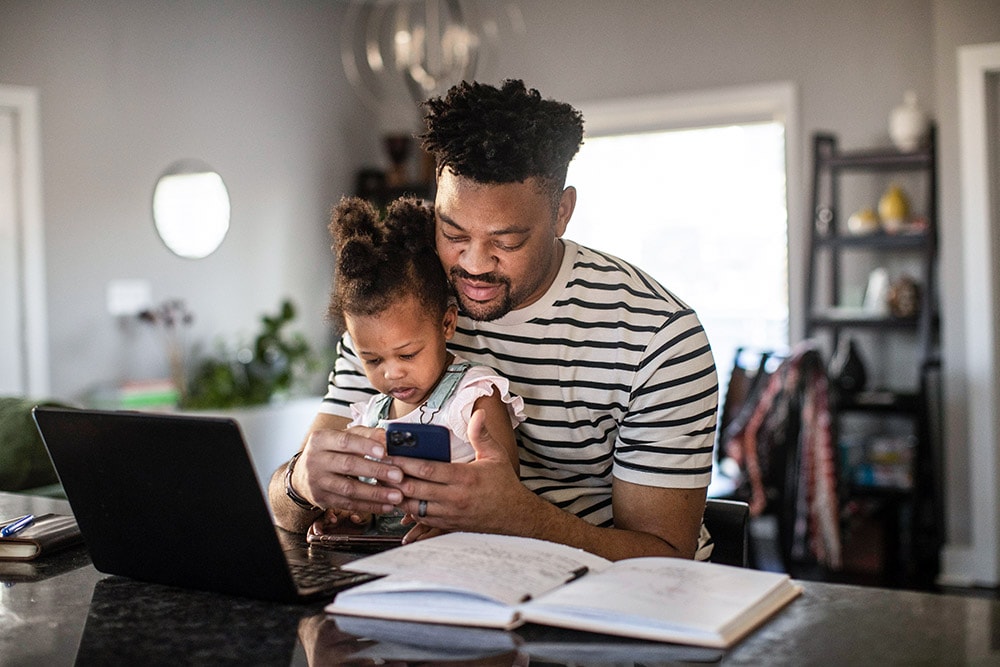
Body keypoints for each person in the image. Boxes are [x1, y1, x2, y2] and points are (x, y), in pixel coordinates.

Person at [269, 79, 719, 562]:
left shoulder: (657, 338)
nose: (475, 265)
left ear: (562, 212)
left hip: (598, 603)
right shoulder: (400, 308)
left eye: (507, 242)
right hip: (435, 581)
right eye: (453, 231)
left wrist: (516, 518)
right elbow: (284, 509)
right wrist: (302, 483)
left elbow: (666, 560)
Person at [310, 195, 524, 542]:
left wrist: (457, 521)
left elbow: (505, 497)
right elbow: (366, 499)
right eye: (373, 360)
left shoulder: (473, 398)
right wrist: (351, 512)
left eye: (407, 355)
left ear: (447, 324)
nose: (391, 374)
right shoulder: (370, 416)